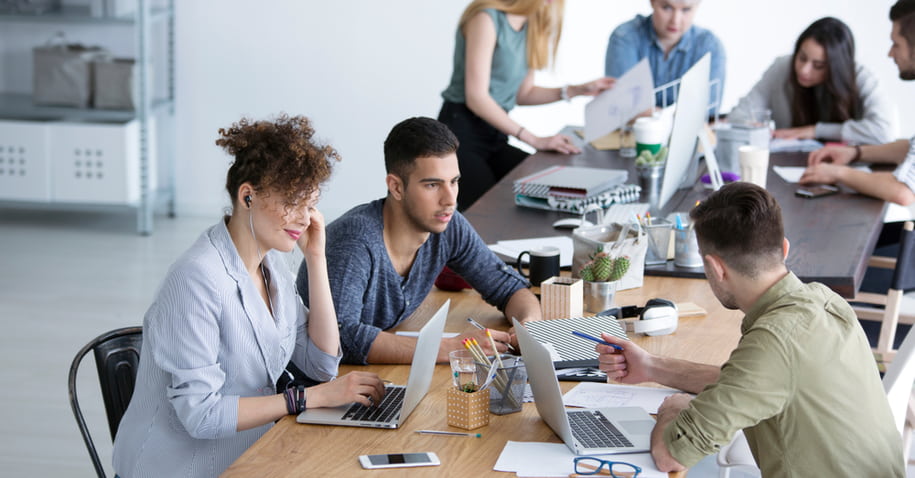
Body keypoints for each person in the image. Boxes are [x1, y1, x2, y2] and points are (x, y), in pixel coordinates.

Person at [112, 115, 385, 477]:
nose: (305, 218)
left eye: (311, 204)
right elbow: (201, 415)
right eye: (292, 202)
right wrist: (307, 399)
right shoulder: (196, 279)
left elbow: (322, 364)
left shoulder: (272, 268)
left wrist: (316, 258)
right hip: (182, 467)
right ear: (247, 196)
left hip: (247, 456)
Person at [595, 182, 904, 476]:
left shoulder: (774, 342)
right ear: (783, 249)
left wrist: (673, 410)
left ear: (715, 268)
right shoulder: (823, 301)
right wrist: (652, 366)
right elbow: (748, 382)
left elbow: (669, 455)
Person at [296, 117, 541, 365]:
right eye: (432, 185)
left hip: (376, 373)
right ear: (396, 187)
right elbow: (342, 338)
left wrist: (527, 327)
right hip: (323, 383)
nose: (449, 199)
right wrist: (446, 348)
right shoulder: (355, 243)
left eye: (454, 182)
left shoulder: (448, 224)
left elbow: (509, 288)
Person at [439, 0, 615, 210]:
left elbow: (523, 93)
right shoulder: (486, 19)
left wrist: (575, 90)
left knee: (545, 188)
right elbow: (476, 98)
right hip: (460, 133)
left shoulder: (530, 27)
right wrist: (534, 139)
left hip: (494, 134)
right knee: (487, 211)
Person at [730, 17, 897, 145]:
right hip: (786, 167)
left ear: (835, 69)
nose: (804, 70)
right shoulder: (782, 67)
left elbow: (885, 132)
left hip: (842, 172)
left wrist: (815, 131)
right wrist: (760, 130)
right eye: (802, 58)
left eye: (818, 65)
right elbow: (738, 116)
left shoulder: (861, 77)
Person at [605, 0, 725, 108]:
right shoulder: (625, 37)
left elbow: (708, 110)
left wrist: (648, 113)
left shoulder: (710, 46)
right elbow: (622, 106)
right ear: (652, 2)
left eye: (686, 10)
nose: (675, 20)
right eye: (667, 7)